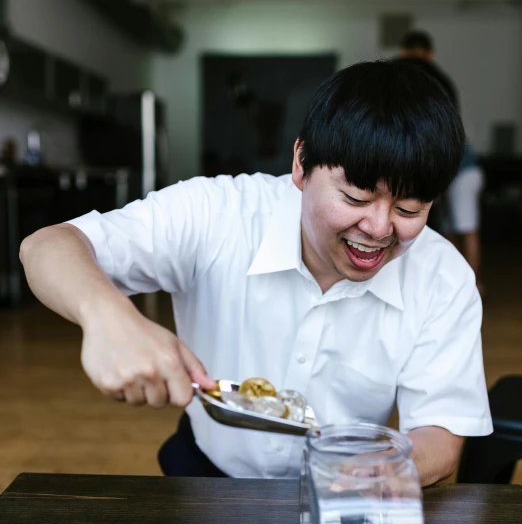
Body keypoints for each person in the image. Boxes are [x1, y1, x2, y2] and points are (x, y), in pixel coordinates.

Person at [19, 60, 492, 486]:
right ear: (301, 164)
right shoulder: (218, 212)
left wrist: (383, 472)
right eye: (355, 198)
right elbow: (46, 246)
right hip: (203, 475)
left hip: (347, 491)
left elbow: (441, 430)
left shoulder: (442, 276)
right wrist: (107, 317)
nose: (378, 227)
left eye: (410, 207)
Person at [396, 30, 485, 289]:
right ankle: (460, 280)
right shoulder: (441, 80)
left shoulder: (396, 73)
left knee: (452, 226)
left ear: (402, 52)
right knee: (451, 226)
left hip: (451, 165)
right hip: (445, 163)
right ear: (431, 54)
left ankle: (467, 282)